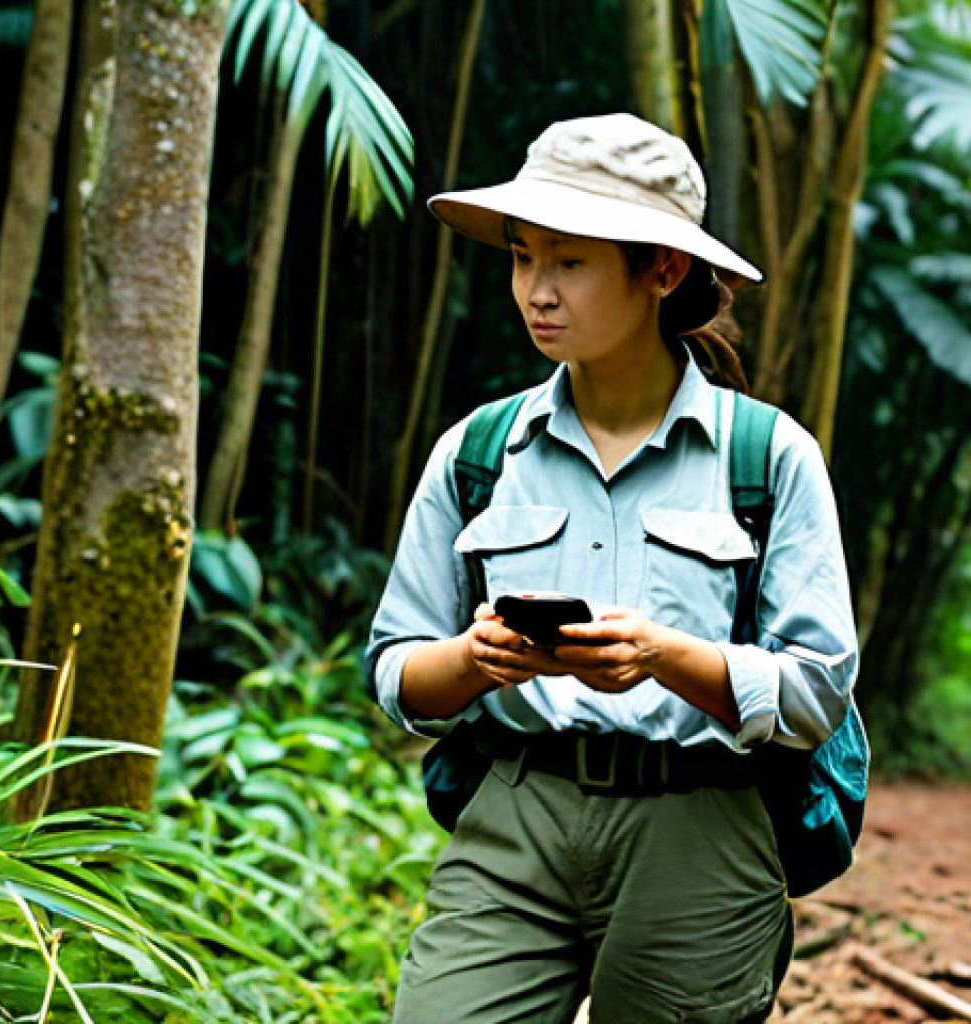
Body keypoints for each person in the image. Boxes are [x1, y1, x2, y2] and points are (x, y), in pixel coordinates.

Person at [364, 114, 858, 1024]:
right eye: (521, 257)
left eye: (569, 261)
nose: (534, 291)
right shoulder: (477, 452)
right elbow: (394, 666)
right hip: (515, 813)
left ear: (661, 270)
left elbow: (818, 691)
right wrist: (472, 662)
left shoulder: (768, 457)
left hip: (700, 825)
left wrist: (668, 657)